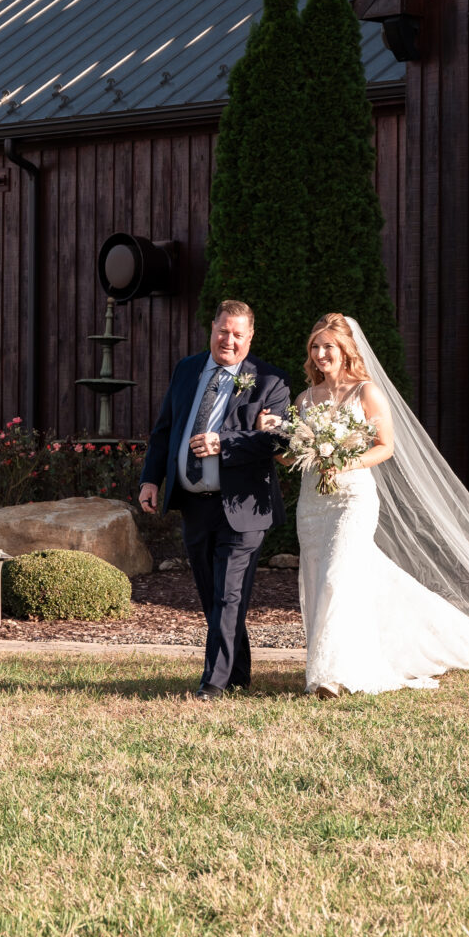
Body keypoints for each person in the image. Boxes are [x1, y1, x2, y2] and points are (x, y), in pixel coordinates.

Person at [257, 313, 469, 697]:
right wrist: (273, 436)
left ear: (346, 350)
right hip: (314, 504)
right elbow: (294, 458)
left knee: (337, 577)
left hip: (353, 499)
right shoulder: (305, 400)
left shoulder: (365, 392)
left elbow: (385, 447)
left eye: (327, 346)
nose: (319, 354)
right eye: (314, 347)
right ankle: (330, 664)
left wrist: (342, 461)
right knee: (320, 581)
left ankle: (336, 675)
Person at [139, 300, 290, 701]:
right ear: (212, 328)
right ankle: (238, 672)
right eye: (224, 331)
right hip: (194, 504)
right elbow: (164, 430)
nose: (230, 340)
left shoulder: (270, 381)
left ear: (250, 336)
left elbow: (275, 439)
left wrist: (223, 442)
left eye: (239, 334)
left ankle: (214, 682)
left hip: (244, 507)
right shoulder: (187, 369)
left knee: (229, 595)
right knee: (212, 596)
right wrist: (151, 479)